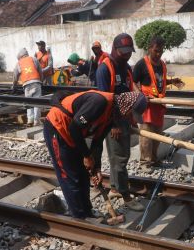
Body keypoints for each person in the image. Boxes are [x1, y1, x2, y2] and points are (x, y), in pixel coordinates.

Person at [44, 90, 148, 219]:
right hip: (58, 128)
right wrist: (87, 156)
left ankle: (87, 212)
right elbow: (74, 127)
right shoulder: (100, 102)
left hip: (74, 135)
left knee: (83, 174)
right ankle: (79, 217)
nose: (130, 118)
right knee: (70, 175)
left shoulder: (112, 115)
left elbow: (97, 141)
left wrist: (96, 168)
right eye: (131, 113)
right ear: (128, 105)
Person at [95, 33, 144, 211]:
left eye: (129, 52)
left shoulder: (127, 69)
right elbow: (103, 101)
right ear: (114, 49)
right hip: (110, 119)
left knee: (121, 155)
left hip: (123, 117)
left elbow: (129, 94)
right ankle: (126, 196)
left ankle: (115, 187)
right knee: (120, 159)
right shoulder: (104, 69)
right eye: (123, 52)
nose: (126, 55)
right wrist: (114, 124)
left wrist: (132, 119)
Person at [132, 35, 184, 168]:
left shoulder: (162, 65)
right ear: (150, 49)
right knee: (146, 135)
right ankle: (145, 162)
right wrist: (140, 95)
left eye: (161, 51)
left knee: (157, 135)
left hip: (159, 105)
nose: (158, 54)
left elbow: (158, 82)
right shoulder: (142, 64)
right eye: (156, 51)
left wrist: (172, 81)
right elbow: (132, 81)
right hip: (147, 105)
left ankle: (154, 159)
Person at [12, 48, 44, 126]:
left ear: (20, 56)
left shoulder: (18, 63)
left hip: (26, 84)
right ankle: (36, 121)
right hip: (36, 82)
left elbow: (15, 76)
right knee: (37, 102)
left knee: (29, 102)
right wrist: (41, 81)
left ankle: (30, 119)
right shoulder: (33, 59)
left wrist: (14, 86)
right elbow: (40, 71)